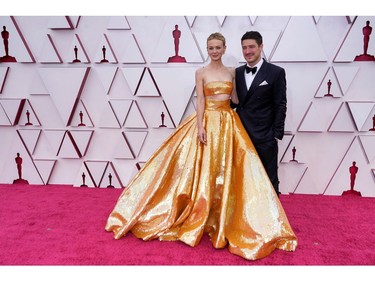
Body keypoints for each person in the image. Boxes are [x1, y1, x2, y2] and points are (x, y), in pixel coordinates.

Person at [105, 32, 297, 260]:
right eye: (211, 48)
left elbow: (237, 100)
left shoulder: (233, 72)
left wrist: (272, 131)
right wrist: (199, 126)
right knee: (206, 172)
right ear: (208, 49)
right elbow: (201, 100)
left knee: (244, 174)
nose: (214, 51)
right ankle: (208, 214)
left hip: (231, 125)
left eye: (218, 47)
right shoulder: (202, 72)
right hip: (208, 123)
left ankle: (266, 220)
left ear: (225, 49)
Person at [233, 31, 287, 196]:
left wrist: (276, 134)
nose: (248, 51)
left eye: (251, 47)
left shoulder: (276, 72)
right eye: (244, 48)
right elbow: (234, 102)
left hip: (265, 136)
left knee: (269, 181)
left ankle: (273, 220)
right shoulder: (237, 73)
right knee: (243, 180)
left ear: (261, 47)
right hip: (242, 136)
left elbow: (280, 104)